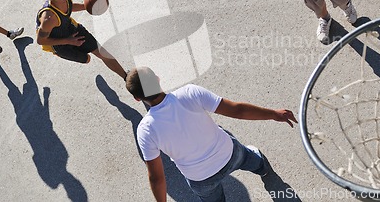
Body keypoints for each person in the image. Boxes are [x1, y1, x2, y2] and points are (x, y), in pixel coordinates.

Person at [126, 66, 297, 202]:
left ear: (138, 99)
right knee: (249, 157)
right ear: (157, 79)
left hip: (200, 179)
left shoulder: (145, 130)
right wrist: (274, 114)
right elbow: (238, 111)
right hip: (229, 154)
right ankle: (263, 170)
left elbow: (156, 178)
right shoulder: (189, 93)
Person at [36, 0, 127, 80]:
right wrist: (69, 41)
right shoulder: (49, 18)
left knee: (102, 53)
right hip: (58, 44)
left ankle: (126, 77)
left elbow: (70, 6)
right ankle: (62, 53)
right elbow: (41, 40)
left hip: (70, 29)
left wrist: (88, 6)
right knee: (86, 59)